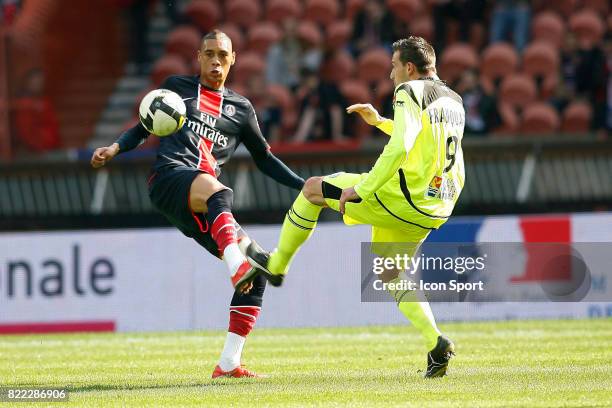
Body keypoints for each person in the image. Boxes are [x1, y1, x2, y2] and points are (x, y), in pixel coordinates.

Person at [90, 30, 304, 378]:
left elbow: (264, 159)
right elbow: (145, 125)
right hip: (170, 180)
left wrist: (301, 185)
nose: (215, 61)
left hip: (203, 206)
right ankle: (235, 264)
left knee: (260, 270)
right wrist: (115, 147)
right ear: (198, 57)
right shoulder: (177, 86)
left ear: (233, 59)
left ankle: (229, 362)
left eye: (222, 54)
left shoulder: (241, 110)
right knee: (222, 194)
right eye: (209, 54)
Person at [248, 37, 464, 377]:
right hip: (436, 204)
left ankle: (276, 265)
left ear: (409, 68)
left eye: (394, 67)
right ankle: (436, 343)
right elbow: (423, 140)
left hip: (402, 196)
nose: (392, 75)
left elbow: (401, 148)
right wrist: (380, 122)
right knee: (390, 272)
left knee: (312, 190)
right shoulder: (454, 100)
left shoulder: (409, 91)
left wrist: (361, 188)